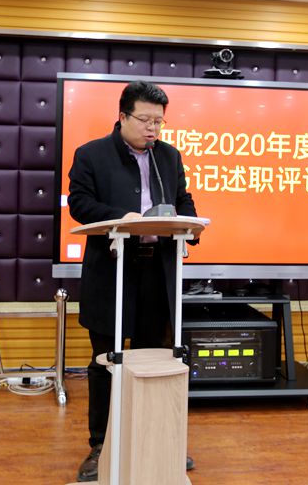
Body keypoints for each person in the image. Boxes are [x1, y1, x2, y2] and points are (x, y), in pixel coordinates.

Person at [67, 80, 197, 482]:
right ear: (122, 116)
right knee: (106, 360)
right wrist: (119, 218)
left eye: (158, 121)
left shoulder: (168, 157)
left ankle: (154, 439)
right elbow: (79, 204)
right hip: (113, 271)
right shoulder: (91, 154)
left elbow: (183, 199)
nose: (152, 128)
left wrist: (190, 224)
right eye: (145, 120)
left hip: (157, 273)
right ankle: (100, 446)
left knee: (153, 360)